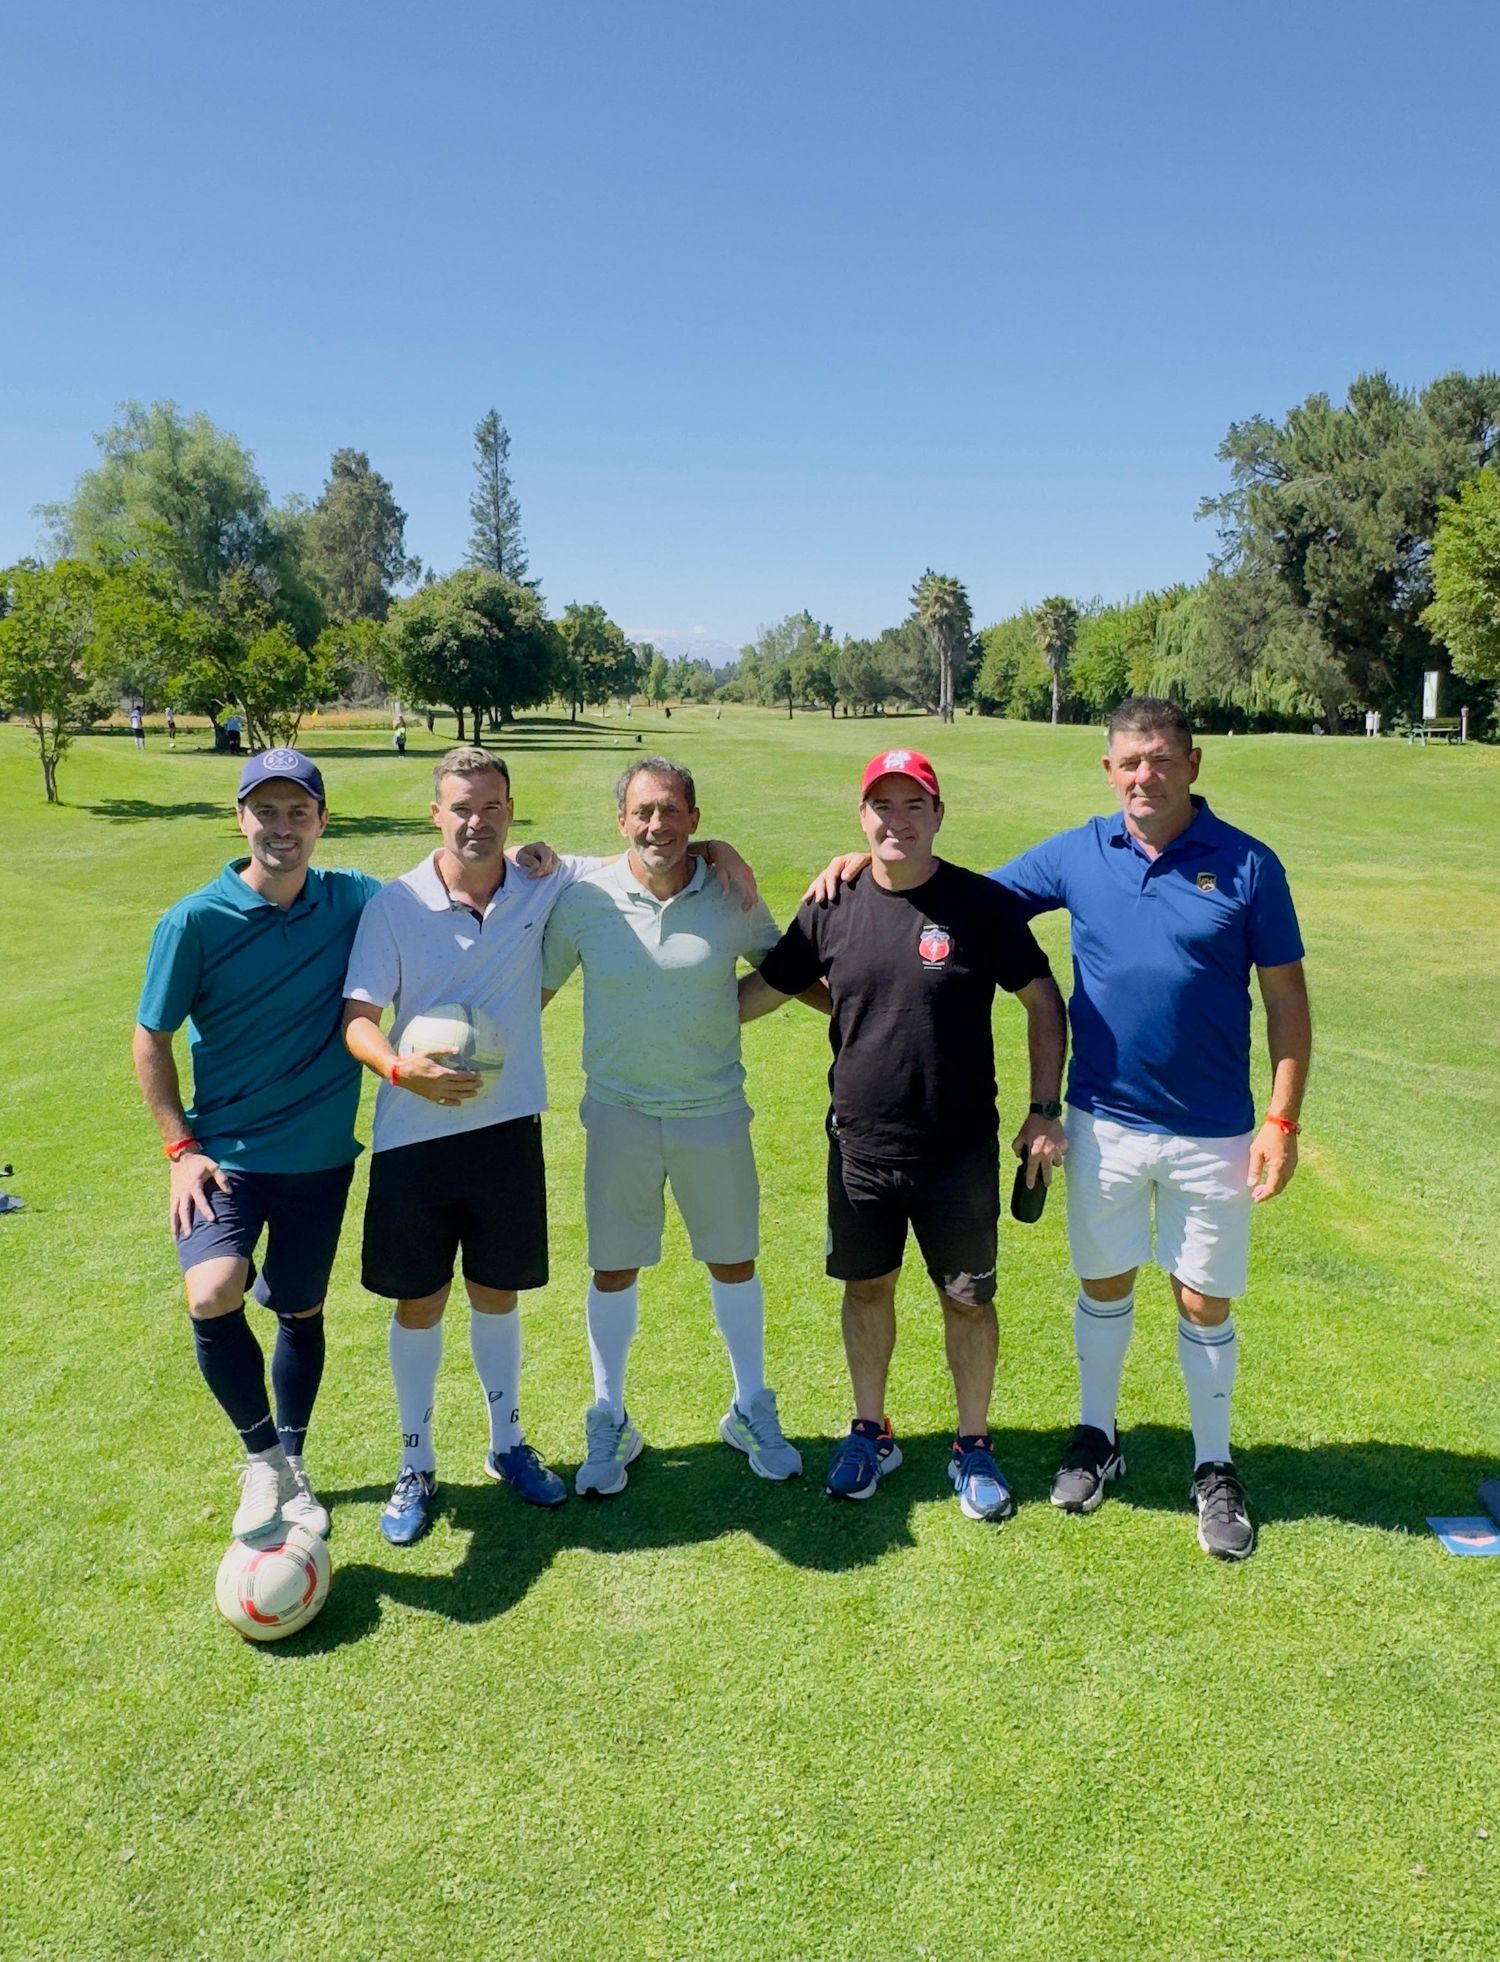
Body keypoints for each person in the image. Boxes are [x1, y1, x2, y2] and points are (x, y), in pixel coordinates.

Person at [342, 746, 758, 1546]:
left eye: (492, 806)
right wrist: (399, 1067)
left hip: (505, 1133)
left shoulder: (543, 879)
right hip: (414, 1138)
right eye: (461, 806)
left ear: (510, 810)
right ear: (436, 813)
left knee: (498, 1296)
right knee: (419, 1301)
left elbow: (643, 850)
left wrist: (716, 848)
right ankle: (416, 1460)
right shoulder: (394, 905)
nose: (476, 820)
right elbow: (359, 1017)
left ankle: (506, 1445)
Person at [992, 698, 1310, 1560]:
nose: (1146, 775)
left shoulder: (1248, 864)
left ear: (1194, 764)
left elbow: (1286, 1001)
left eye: (1162, 759)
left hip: (1215, 1132)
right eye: (1130, 761)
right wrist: (864, 864)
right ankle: (1099, 1437)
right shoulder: (1078, 851)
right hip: (1102, 1122)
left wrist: (1281, 1119)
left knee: (1203, 1297)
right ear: (1108, 770)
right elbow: (974, 902)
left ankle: (1214, 1466)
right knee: (1104, 1284)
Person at [739, 749, 1067, 1522]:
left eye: (913, 805)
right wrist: (675, 1002)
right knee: (866, 1288)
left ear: (938, 816)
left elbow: (1045, 1002)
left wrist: (1044, 1108)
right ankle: (869, 1430)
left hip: (958, 1155)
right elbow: (762, 991)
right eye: (882, 806)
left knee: (967, 1303)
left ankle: (972, 1444)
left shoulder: (981, 906)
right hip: (860, 1146)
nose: (897, 820)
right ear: (863, 817)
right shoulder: (832, 903)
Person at [132, 749, 382, 1543]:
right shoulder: (193, 921)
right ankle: (263, 1459)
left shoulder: (352, 900)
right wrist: (181, 1148)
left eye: (297, 813)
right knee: (211, 1291)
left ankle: (296, 1464)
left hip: (318, 1157)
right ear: (240, 819)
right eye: (265, 812)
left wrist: (526, 855)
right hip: (228, 1157)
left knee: (300, 1308)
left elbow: (446, 881)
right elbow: (150, 1038)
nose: (282, 828)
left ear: (321, 822)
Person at [541, 757, 801, 1498]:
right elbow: (536, 993)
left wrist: (861, 1010)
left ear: (694, 816)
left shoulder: (729, 890)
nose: (657, 825)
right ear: (620, 819)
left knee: (733, 1261)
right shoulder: (583, 898)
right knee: (613, 1267)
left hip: (713, 1110)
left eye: (671, 811)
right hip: (618, 1112)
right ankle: (610, 1413)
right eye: (642, 812)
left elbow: (780, 969)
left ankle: (750, 1406)